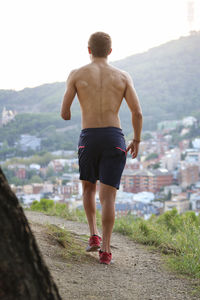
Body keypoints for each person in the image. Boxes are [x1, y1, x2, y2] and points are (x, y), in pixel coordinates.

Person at [61, 32, 143, 265]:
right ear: (110, 51)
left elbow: (64, 113)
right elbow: (137, 113)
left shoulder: (76, 75)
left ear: (88, 49)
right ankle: (106, 251)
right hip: (114, 137)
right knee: (109, 198)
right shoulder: (123, 76)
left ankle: (93, 236)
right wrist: (136, 140)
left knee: (88, 189)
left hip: (89, 136)